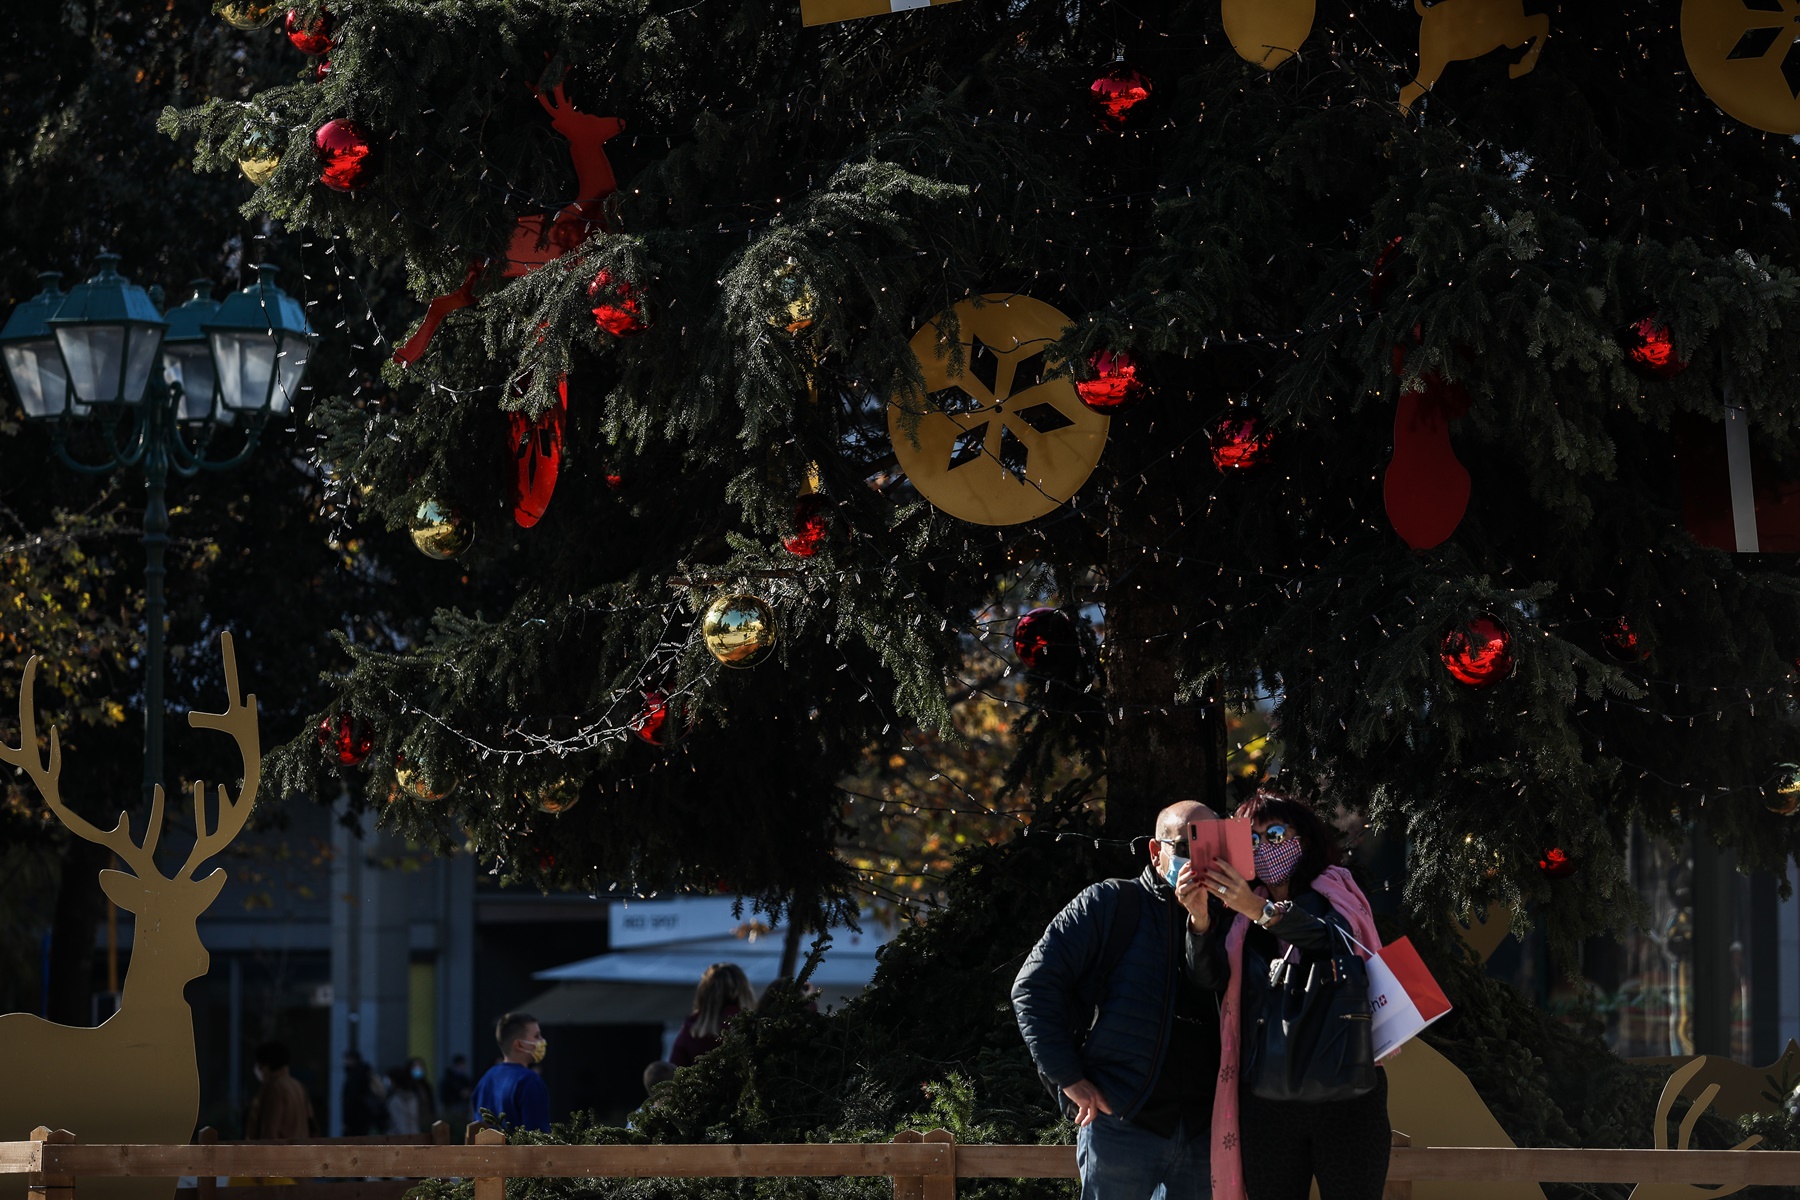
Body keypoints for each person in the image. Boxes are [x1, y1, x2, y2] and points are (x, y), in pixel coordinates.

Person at [1012, 800, 1226, 1200]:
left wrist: (1204, 922)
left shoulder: (1232, 916)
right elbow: (1033, 986)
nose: (1198, 859)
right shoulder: (1109, 903)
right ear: (1154, 850)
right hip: (1122, 1119)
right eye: (1184, 846)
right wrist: (1068, 1078)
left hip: (1204, 1127)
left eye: (1211, 848)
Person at [1201, 792, 1390, 1200]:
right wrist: (1200, 919)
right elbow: (1209, 978)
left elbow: (1334, 944)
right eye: (1250, 840)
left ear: (1301, 838)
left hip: (1344, 1090)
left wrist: (1260, 910)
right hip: (1266, 1095)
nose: (1263, 848)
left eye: (1273, 834)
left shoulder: (1334, 890)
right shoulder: (1233, 915)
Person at [471, 1012, 551, 1132]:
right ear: (519, 1044)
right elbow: (538, 1137)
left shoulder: (486, 1078)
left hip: (486, 1150)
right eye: (537, 1036)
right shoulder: (529, 1081)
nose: (542, 1041)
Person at [669, 964, 756, 1067]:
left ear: (704, 992)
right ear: (745, 991)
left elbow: (675, 1070)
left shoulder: (691, 1029)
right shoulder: (754, 1027)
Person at [244, 1041, 317, 1139]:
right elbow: (311, 1123)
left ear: (266, 1065)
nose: (258, 1070)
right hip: (299, 1151)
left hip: (280, 1152)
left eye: (260, 1065)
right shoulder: (297, 1086)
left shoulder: (274, 1089)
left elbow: (270, 1130)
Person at [339, 1048, 387, 1136]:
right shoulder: (365, 1073)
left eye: (347, 1059)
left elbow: (350, 1100)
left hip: (357, 1119)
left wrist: (347, 1121)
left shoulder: (354, 1077)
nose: (345, 1062)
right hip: (367, 1117)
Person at [385, 1065, 421, 1135]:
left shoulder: (395, 1101)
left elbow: (400, 1124)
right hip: (414, 1135)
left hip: (399, 1138)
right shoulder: (413, 1097)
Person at [405, 1056, 439, 1128]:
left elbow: (431, 1104)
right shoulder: (407, 1086)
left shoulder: (426, 1086)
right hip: (412, 1121)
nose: (418, 1069)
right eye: (415, 1066)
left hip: (426, 1120)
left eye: (420, 1066)